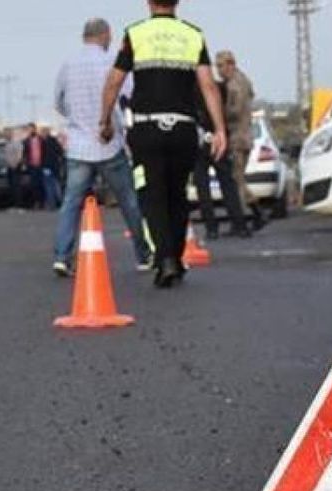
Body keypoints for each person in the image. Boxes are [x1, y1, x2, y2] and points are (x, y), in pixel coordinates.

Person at [101, 0, 227, 288]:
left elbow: (114, 81)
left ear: (148, 3)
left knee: (152, 195)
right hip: (183, 128)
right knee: (177, 194)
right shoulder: (193, 35)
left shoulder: (135, 34)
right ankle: (176, 257)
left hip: (147, 128)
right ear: (177, 3)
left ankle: (166, 258)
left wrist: (105, 119)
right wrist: (219, 129)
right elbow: (208, 85)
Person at [52, 17, 154, 276]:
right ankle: (143, 254)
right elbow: (129, 95)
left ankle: (62, 256)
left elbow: (59, 103)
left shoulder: (68, 64)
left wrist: (77, 119)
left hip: (78, 145)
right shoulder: (112, 62)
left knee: (71, 203)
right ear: (105, 35)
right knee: (129, 201)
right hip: (108, 143)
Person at [192, 81, 250, 240]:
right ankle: (239, 224)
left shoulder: (188, 88)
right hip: (218, 137)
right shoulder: (219, 87)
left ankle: (211, 228)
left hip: (198, 140)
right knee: (228, 183)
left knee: (203, 187)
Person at [216, 51, 265, 232]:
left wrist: (218, 113)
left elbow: (234, 111)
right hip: (244, 136)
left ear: (230, 64)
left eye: (221, 66)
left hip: (237, 137)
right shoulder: (243, 80)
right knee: (238, 179)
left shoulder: (234, 85)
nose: (219, 70)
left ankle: (251, 215)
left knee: (236, 180)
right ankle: (250, 215)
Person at [39, 125, 64, 210]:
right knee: (55, 185)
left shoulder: (45, 142)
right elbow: (60, 152)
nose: (42, 134)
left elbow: (44, 156)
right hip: (54, 167)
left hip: (48, 167)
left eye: (43, 132)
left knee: (49, 186)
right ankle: (59, 203)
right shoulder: (53, 141)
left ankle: (53, 203)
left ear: (46, 132)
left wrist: (43, 166)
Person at [3, 127, 26, 211]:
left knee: (17, 186)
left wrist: (16, 164)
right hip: (9, 167)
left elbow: (19, 154)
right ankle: (14, 205)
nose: (5, 135)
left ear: (11, 133)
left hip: (15, 167)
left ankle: (19, 205)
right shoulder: (7, 143)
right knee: (12, 186)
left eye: (6, 133)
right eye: (4, 134)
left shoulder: (16, 143)